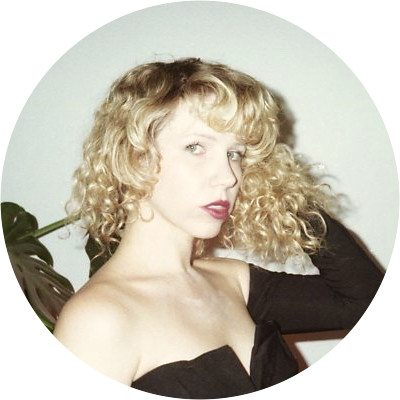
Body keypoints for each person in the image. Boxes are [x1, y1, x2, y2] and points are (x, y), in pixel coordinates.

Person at [54, 58, 383, 399]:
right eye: (195, 147)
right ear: (134, 158)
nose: (228, 177)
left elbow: (364, 303)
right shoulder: (98, 321)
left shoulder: (232, 281)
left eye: (235, 153)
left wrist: (283, 194)